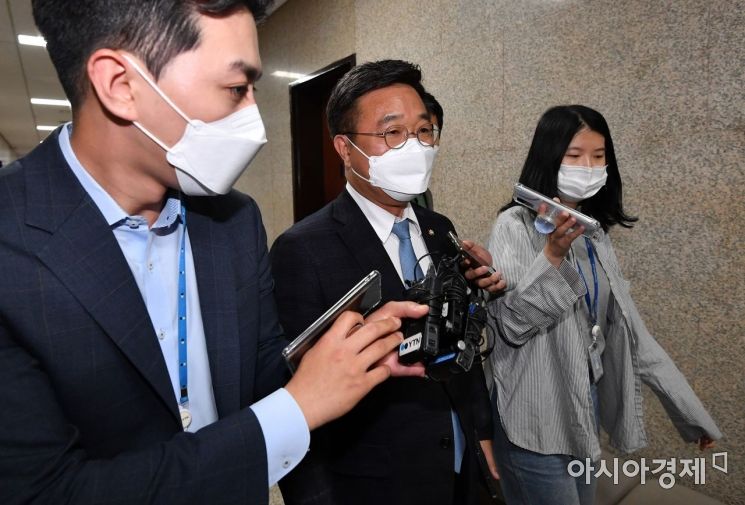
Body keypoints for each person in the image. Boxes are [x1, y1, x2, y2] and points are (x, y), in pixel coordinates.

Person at [0, 2, 430, 504]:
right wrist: (300, 405)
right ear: (120, 84)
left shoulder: (232, 222)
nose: (255, 121)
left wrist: (336, 360)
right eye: (235, 89)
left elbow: (261, 370)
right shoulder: (13, 246)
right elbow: (45, 493)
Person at [270, 59, 505, 505]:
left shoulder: (440, 229)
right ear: (344, 148)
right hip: (376, 481)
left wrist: (481, 433)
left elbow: (461, 339)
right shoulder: (303, 249)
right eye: (392, 133)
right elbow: (293, 395)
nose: (413, 147)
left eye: (423, 131)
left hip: (460, 466)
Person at [485, 105, 722, 505]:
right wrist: (554, 255)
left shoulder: (595, 237)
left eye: (599, 156)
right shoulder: (514, 227)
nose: (589, 167)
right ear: (549, 157)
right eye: (575, 156)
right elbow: (512, 324)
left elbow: (633, 334)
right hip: (532, 415)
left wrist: (690, 414)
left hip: (583, 404)